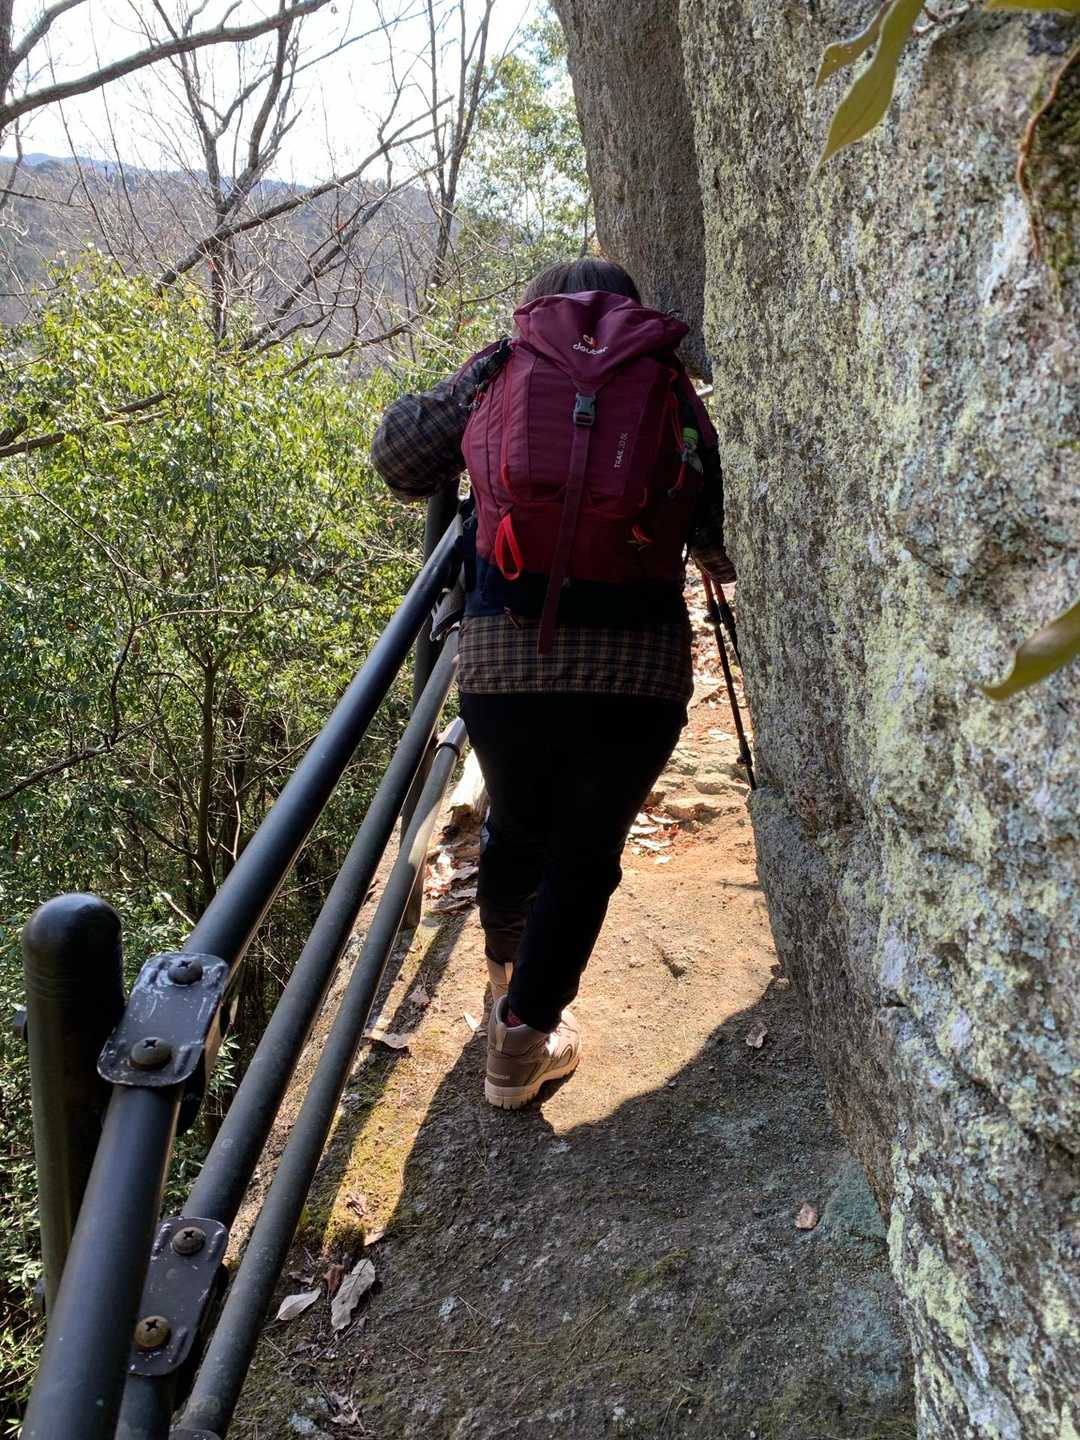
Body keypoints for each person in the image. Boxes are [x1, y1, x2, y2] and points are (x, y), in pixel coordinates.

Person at [371, 257, 736, 1110]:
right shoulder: (669, 386)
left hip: (506, 658)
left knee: (518, 825)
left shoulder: (504, 365)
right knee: (587, 851)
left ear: (536, 310)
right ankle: (524, 1037)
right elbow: (717, 537)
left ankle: (504, 972)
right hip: (637, 667)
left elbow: (399, 459)